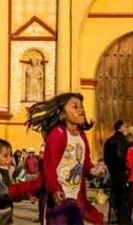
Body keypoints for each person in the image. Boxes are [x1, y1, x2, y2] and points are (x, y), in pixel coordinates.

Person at [26, 92, 103, 225]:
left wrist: (93, 170)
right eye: (75, 106)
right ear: (62, 114)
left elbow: (84, 163)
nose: (81, 109)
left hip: (75, 199)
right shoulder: (57, 134)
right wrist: (55, 189)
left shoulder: (82, 136)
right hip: (57, 199)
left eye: (81, 106)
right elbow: (49, 168)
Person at [0, 138, 42, 225]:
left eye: (10, 155)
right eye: (5, 156)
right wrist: (27, 187)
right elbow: (4, 194)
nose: (9, 159)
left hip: (3, 221)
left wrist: (26, 196)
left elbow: (11, 195)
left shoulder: (5, 172)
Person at [103, 119, 130, 224]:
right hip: (123, 171)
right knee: (123, 196)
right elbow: (126, 158)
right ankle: (122, 219)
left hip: (113, 171)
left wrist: (110, 166)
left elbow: (106, 158)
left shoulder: (109, 141)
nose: (126, 129)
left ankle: (112, 217)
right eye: (125, 127)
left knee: (114, 194)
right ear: (121, 128)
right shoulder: (124, 141)